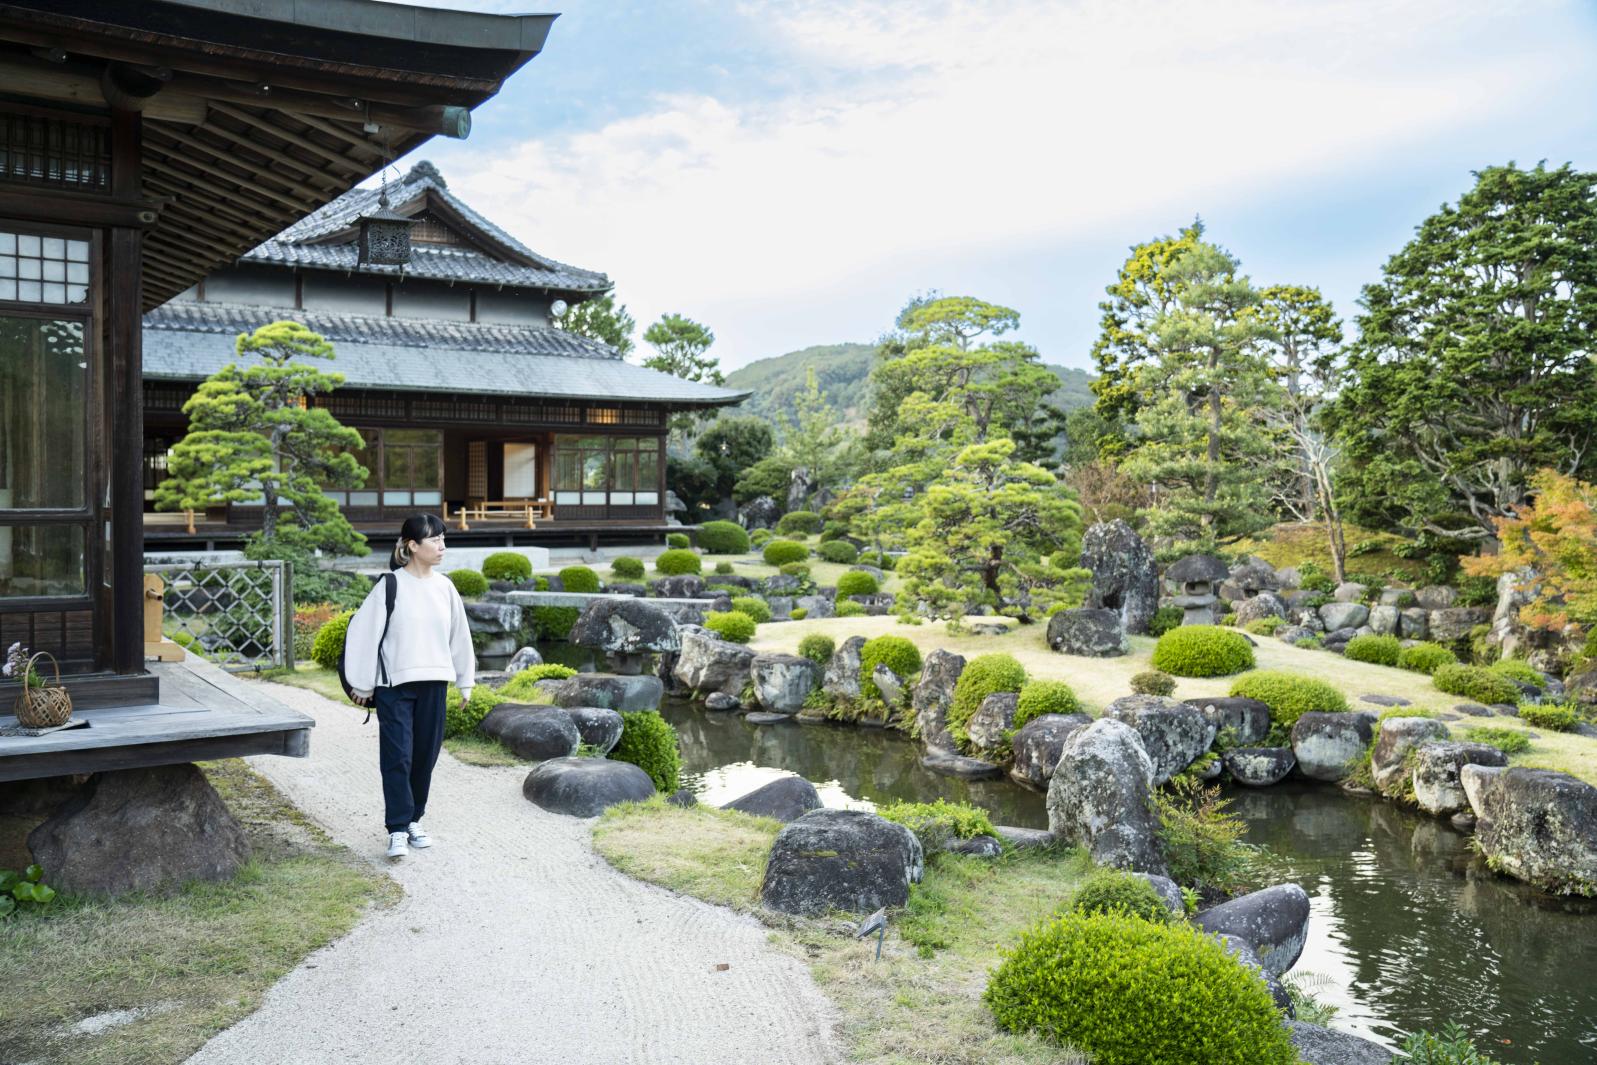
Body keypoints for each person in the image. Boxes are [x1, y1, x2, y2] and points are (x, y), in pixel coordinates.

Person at [344, 514, 476, 859]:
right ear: (412, 545)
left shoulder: (445, 587)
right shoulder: (390, 585)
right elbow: (362, 634)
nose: (442, 546)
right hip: (395, 686)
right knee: (398, 756)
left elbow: (459, 636)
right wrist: (362, 684)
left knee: (424, 757)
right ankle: (398, 828)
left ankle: (415, 818)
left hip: (434, 684)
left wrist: (465, 682)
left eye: (444, 539)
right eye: (435, 540)